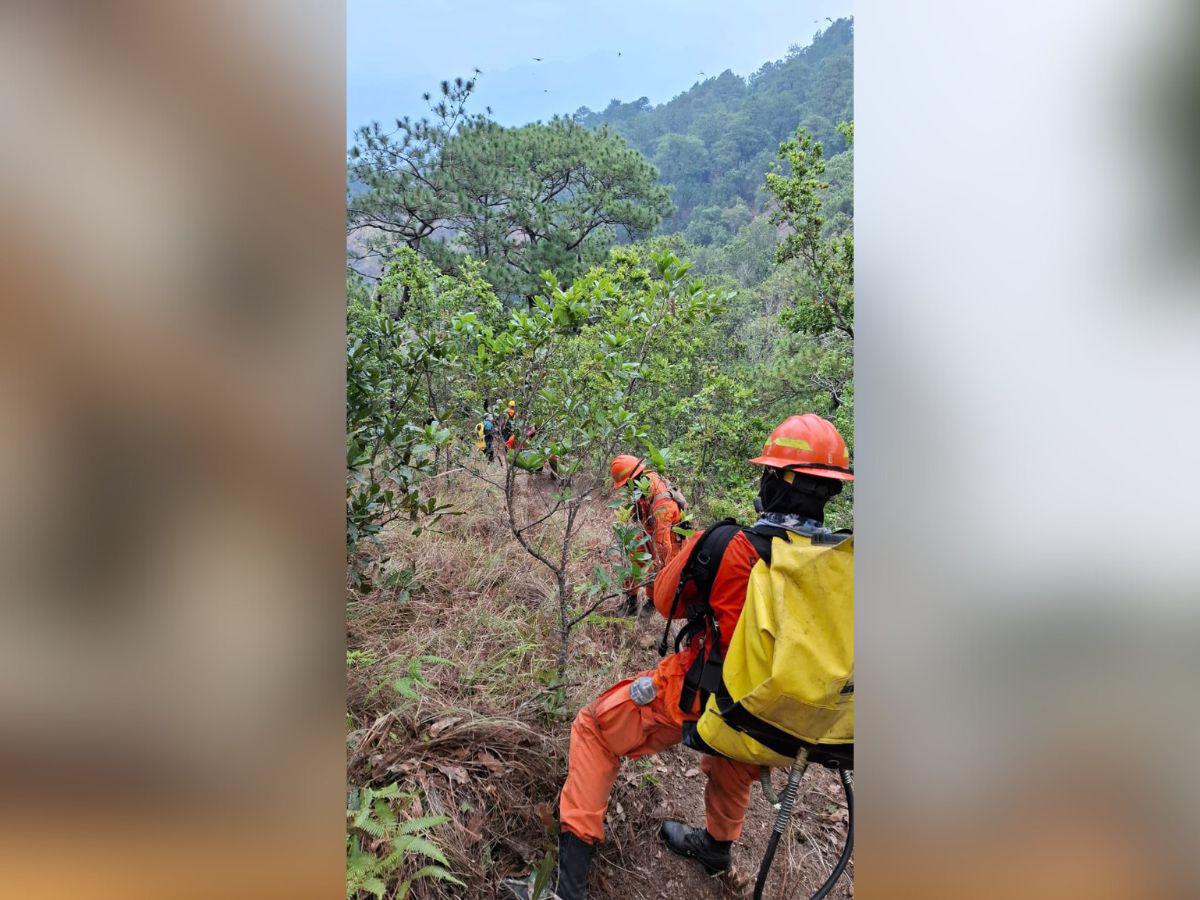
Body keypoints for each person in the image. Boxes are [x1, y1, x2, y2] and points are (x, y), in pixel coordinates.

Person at [502, 414, 853, 900]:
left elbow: (667, 601)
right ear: (832, 491)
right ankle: (715, 847)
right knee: (732, 754)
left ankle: (564, 890)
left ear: (772, 479)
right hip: (793, 722)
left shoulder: (731, 546)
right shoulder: (848, 561)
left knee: (595, 729)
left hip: (709, 696)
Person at [610, 455, 684, 616]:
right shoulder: (644, 482)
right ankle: (631, 601)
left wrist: (658, 565)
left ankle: (652, 603)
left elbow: (662, 545)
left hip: (669, 536)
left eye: (626, 485)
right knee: (634, 554)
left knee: (658, 565)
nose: (626, 490)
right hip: (649, 528)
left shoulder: (662, 505)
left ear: (635, 478)